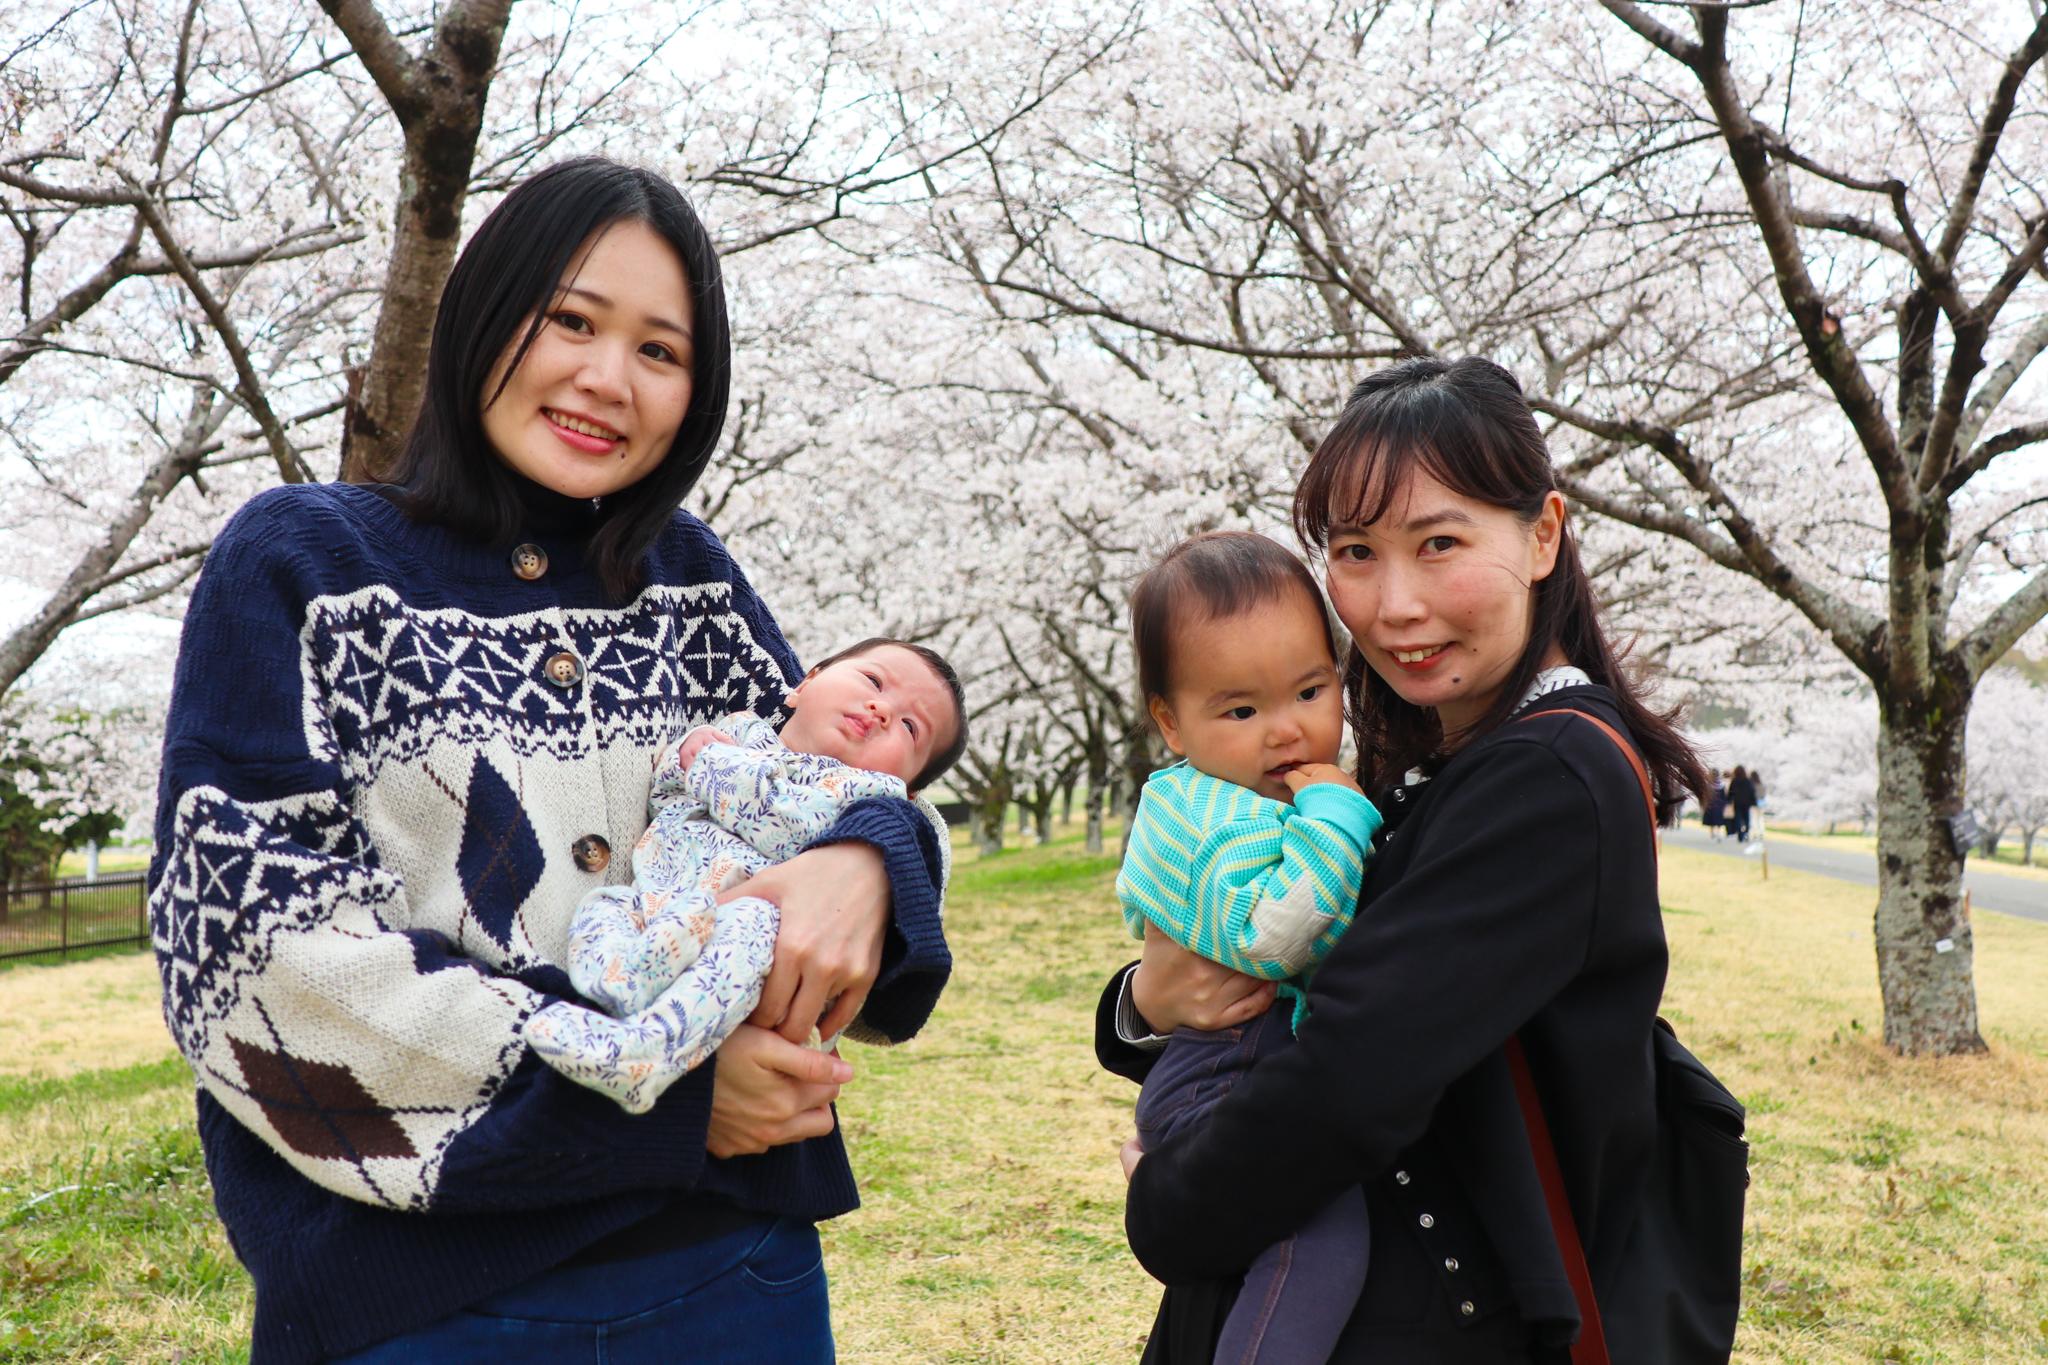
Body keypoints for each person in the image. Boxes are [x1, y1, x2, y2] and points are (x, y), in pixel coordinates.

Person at [148, 157, 952, 1365]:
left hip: (733, 1271)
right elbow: (255, 964)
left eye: (659, 351)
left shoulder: (687, 583)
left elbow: (832, 799)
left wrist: (872, 858)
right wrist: (660, 1104)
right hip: (422, 1300)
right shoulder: (307, 567)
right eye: (571, 320)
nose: (606, 379)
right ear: (485, 311)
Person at [1096, 356, 1710, 1362]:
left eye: (1438, 544)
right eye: (1354, 553)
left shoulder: (1547, 778)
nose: (1392, 606)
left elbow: (1353, 1072)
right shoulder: (1422, 753)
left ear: (1542, 535)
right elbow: (1294, 970)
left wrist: (1164, 1207)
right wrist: (1148, 1001)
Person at [1118, 531, 1382, 1364]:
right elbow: (1274, 935)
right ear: (1171, 722)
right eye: (1241, 711)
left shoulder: (1247, 796)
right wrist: (1339, 816)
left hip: (1250, 1065)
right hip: (1223, 1073)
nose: (1286, 730)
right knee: (1318, 1243)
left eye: (1310, 690)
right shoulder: (1199, 815)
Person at [532, 638, 967, 1113]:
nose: (881, 710)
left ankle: (646, 1052)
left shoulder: (866, 795)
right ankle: (613, 990)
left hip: (756, 940)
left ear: (910, 789)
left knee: (749, 928)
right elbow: (664, 794)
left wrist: (708, 763)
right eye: (873, 681)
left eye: (910, 727)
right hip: (659, 904)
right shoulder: (739, 731)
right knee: (604, 906)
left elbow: (784, 823)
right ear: (806, 683)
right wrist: (683, 754)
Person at [1727, 765, 1757, 843]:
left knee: (1738, 818)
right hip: (1747, 803)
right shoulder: (1748, 780)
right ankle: (1746, 832)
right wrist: (1754, 801)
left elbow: (1730, 792)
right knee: (1746, 818)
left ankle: (1740, 834)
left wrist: (1729, 800)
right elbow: (1752, 791)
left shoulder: (1734, 781)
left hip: (1737, 802)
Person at [1702, 769, 1728, 838]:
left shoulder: (1708, 784)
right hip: (1719, 804)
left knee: (1711, 819)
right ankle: (1718, 832)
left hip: (1711, 804)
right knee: (1719, 820)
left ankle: (1712, 833)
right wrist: (1724, 803)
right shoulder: (1721, 784)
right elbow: (1724, 796)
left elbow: (1706, 795)